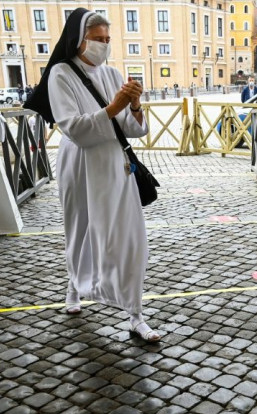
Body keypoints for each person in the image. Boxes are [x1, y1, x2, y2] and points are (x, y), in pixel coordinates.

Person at [24, 8, 160, 342]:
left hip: (116, 164)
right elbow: (73, 129)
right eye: (97, 39)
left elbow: (132, 129)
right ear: (79, 40)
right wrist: (113, 107)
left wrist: (136, 105)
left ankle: (136, 313)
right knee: (81, 229)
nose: (104, 45)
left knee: (129, 236)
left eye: (107, 40)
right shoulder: (61, 73)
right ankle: (75, 287)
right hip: (81, 164)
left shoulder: (113, 74)